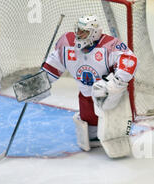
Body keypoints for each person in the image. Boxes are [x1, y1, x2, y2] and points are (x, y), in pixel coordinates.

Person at [42, 15, 138, 158]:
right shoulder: (67, 43)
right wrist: (40, 83)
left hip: (109, 93)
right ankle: (94, 132)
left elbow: (129, 59)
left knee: (102, 92)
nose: (78, 34)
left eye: (84, 32)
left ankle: (116, 131)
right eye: (78, 30)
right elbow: (54, 64)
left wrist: (116, 82)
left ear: (94, 33)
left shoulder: (109, 45)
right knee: (90, 127)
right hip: (86, 94)